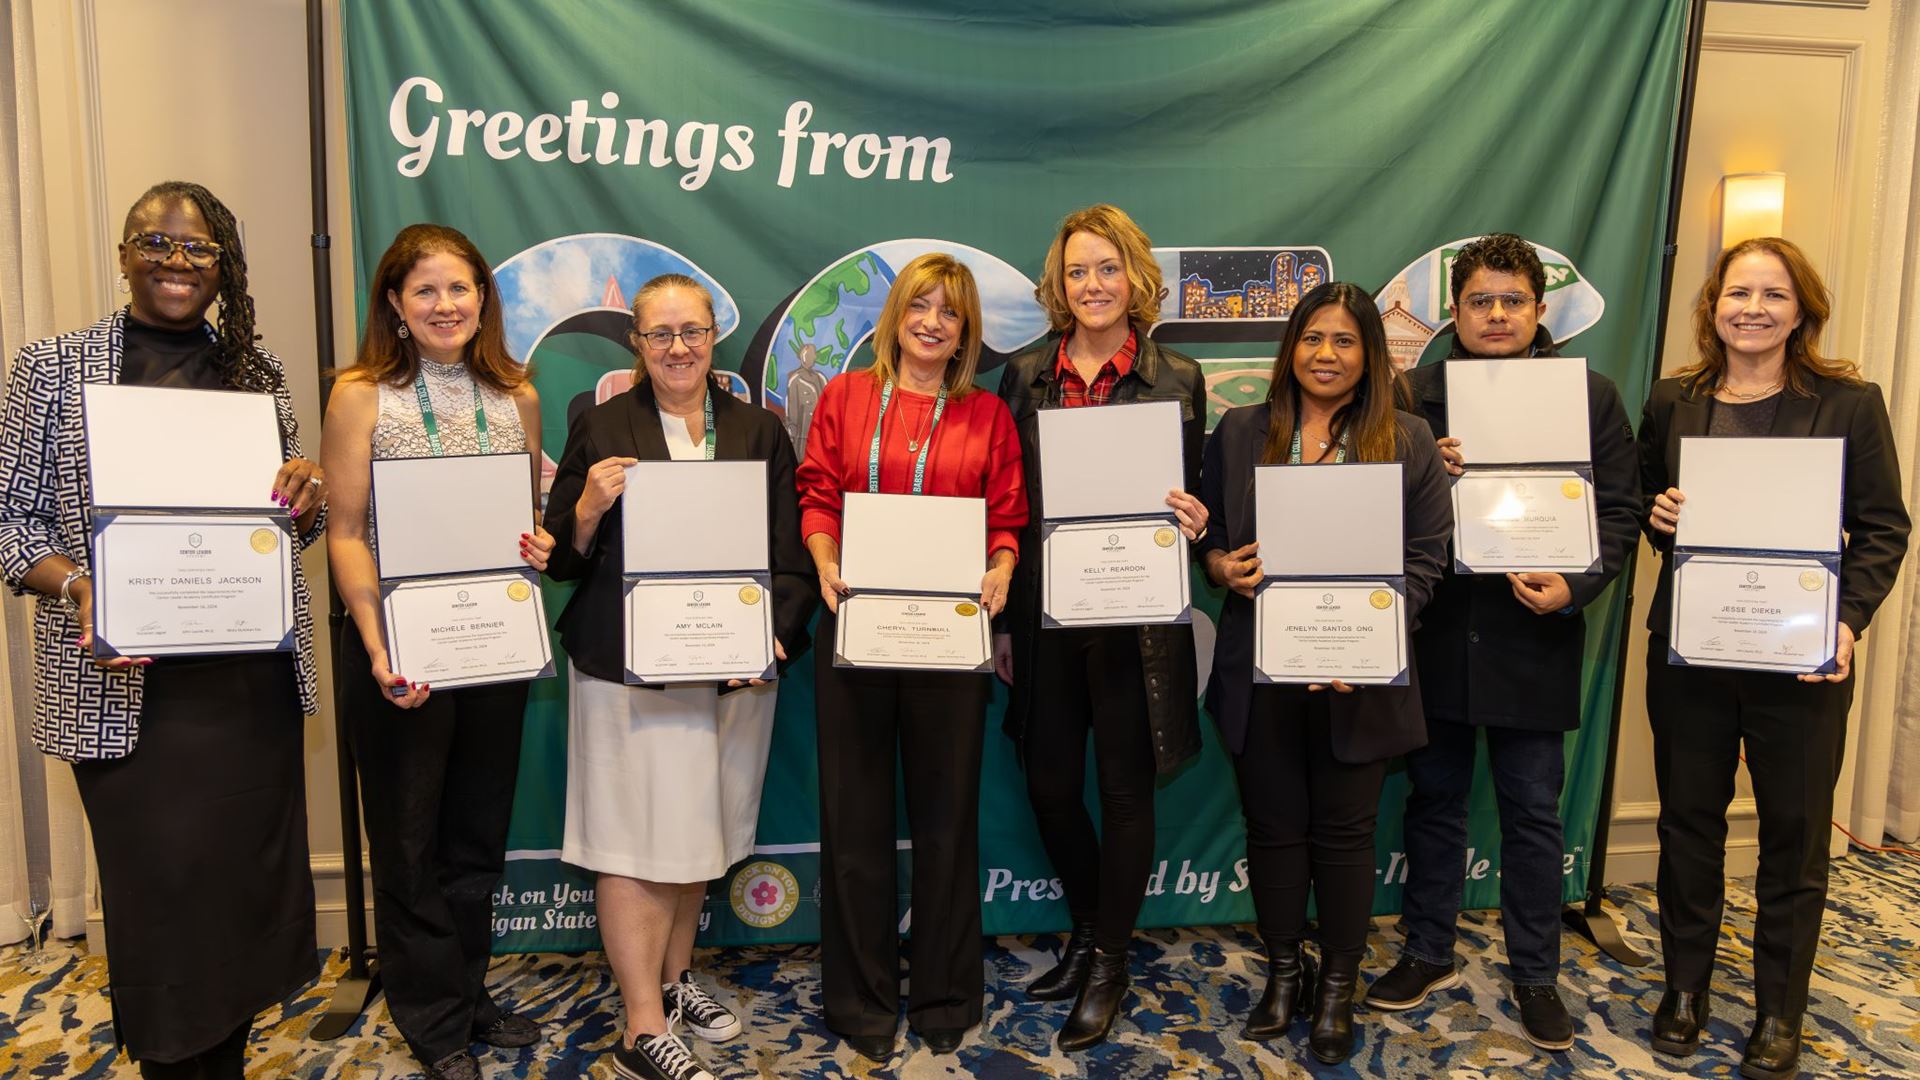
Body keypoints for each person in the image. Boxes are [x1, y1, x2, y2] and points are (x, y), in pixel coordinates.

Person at [0, 181, 323, 1078]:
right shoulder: (52, 368)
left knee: (235, 904)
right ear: (124, 253)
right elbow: (9, 523)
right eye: (157, 243)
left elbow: (287, 529)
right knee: (163, 904)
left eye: (199, 250)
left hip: (244, 693)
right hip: (127, 696)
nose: (177, 263)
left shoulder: (256, 375)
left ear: (224, 268)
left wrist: (307, 497)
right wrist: (77, 584)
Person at [1639, 237, 1908, 1080]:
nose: (1752, 308)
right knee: (1688, 826)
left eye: (1773, 294)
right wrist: (1663, 515)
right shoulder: (1673, 399)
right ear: (1712, 306)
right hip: (1693, 653)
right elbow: (1647, 510)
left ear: (1803, 311)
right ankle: (1685, 990)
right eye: (1737, 292)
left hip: (1800, 659)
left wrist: (1849, 623)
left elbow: (1883, 528)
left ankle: (1778, 1011)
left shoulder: (1848, 402)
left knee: (1794, 839)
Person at [1365, 233, 1640, 1050]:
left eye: (1511, 301)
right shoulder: (1413, 396)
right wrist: (1428, 475)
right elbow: (1376, 509)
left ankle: (1535, 975)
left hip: (1533, 635)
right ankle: (1427, 951)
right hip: (1441, 628)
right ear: (1455, 311)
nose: (1495, 315)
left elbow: (1620, 512)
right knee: (1435, 801)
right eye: (1479, 301)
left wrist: (1577, 586)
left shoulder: (1590, 396)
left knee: (1531, 813)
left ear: (1539, 310)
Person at [543, 273, 817, 1080]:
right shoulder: (600, 426)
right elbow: (561, 558)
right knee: (632, 839)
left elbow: (789, 556)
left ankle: (675, 976)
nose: (678, 348)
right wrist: (588, 505)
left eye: (692, 332)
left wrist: (773, 636)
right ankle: (641, 1027)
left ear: (712, 339)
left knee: (699, 828)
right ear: (636, 341)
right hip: (625, 671)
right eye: (660, 334)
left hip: (730, 669)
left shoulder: (759, 431)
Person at [321, 224, 554, 1080]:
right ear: (394, 303)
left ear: (483, 299)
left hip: (490, 644)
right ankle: (432, 1019)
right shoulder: (360, 394)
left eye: (459, 289)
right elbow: (345, 534)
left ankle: (466, 988)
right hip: (400, 647)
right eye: (425, 290)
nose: (444, 305)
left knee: (474, 836)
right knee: (409, 840)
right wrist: (378, 647)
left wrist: (538, 547)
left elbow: (526, 523)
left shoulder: (517, 394)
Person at [1198, 281, 1450, 1065]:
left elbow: (1425, 561)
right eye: (1313, 339)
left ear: (1370, 354)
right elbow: (1209, 536)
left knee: (1344, 839)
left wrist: (1364, 641)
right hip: (1260, 671)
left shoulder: (1407, 438)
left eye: (1345, 341)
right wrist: (1220, 568)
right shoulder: (1240, 431)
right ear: (1290, 349)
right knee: (1272, 832)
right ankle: (1283, 973)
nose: (1327, 355)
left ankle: (1337, 985)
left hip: (1360, 679)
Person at [795, 252, 1027, 1062]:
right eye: (920, 305)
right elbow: (817, 490)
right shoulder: (846, 396)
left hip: (947, 639)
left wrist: (1000, 568)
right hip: (856, 626)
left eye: (951, 312)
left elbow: (1007, 516)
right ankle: (860, 998)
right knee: (854, 824)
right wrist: (823, 560)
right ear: (896, 314)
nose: (933, 322)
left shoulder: (987, 416)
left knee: (946, 821)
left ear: (966, 331)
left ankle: (945, 992)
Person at [993, 204, 1209, 1050]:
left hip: (1135, 622)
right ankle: (1087, 929)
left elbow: (1202, 500)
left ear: (1135, 278)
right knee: (1049, 784)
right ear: (1060, 285)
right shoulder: (1024, 376)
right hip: (1046, 612)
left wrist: (1199, 517)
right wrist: (1006, 621)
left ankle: (1111, 960)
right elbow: (1008, 506)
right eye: (1078, 271)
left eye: (1108, 268)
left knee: (1124, 791)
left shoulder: (1179, 379)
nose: (1093, 285)